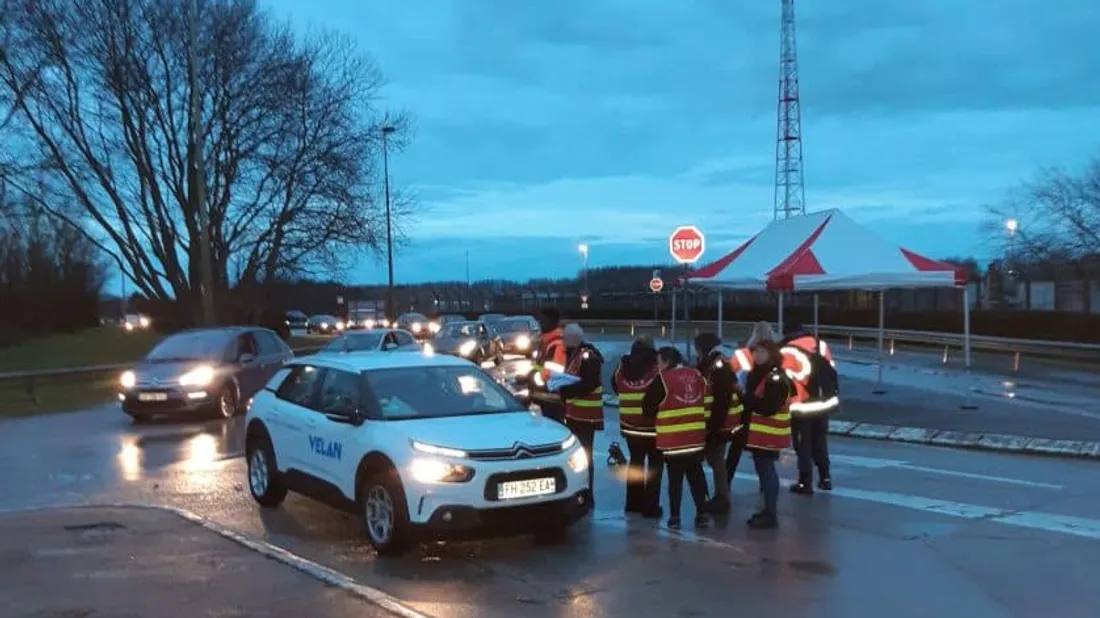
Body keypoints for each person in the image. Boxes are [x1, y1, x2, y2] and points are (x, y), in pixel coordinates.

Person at [643, 346, 709, 529]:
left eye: (658, 362)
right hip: (696, 437)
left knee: (675, 479)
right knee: (696, 476)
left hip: (674, 440)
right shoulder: (696, 374)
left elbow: (647, 407)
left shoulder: (663, 379)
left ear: (666, 361)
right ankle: (702, 513)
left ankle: (675, 517)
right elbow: (706, 397)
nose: (657, 366)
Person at [780, 322, 840, 495]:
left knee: (802, 444)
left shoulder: (788, 350)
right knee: (820, 442)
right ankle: (825, 478)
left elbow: (786, 381)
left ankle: (805, 482)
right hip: (824, 403)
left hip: (802, 406)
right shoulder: (821, 345)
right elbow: (831, 371)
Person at [741, 339, 794, 529]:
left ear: (771, 354)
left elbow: (768, 407)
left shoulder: (774, 377)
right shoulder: (763, 375)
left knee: (767, 472)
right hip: (761, 434)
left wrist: (747, 399)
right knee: (763, 472)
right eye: (756, 352)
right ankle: (767, 510)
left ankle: (770, 513)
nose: (757, 355)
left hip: (769, 433)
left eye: (762, 352)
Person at [611, 335, 662, 518]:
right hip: (652, 427)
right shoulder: (657, 367)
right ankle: (651, 506)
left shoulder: (622, 366)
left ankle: (633, 504)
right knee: (655, 466)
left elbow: (615, 385)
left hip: (630, 426)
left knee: (636, 463)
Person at [693, 332, 743, 515]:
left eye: (697, 348)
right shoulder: (716, 363)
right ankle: (721, 495)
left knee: (716, 458)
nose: (696, 352)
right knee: (715, 458)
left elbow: (721, 400)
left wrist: (713, 428)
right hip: (719, 421)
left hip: (720, 422)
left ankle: (722, 497)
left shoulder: (717, 366)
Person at [558, 323, 604, 494]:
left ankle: (586, 492)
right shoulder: (574, 355)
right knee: (576, 457)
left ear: (573, 339)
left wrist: (565, 391)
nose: (562, 341)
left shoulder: (587, 357)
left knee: (585, 457)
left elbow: (588, 384)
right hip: (575, 415)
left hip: (586, 417)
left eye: (565, 338)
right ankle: (578, 489)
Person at [526, 308, 567, 423]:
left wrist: (533, 378)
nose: (540, 324)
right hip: (546, 397)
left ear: (552, 322)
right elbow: (540, 366)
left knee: (555, 428)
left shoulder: (557, 344)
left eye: (543, 321)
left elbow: (554, 371)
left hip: (553, 399)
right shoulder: (547, 342)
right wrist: (528, 375)